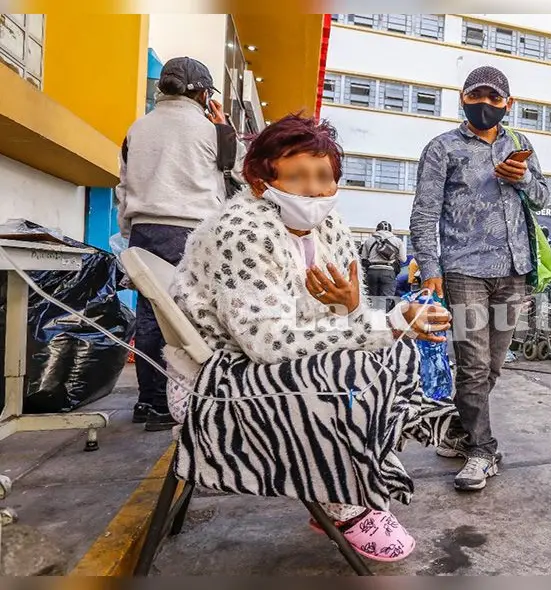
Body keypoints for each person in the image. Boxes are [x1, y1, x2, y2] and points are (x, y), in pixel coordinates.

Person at [168, 114, 456, 562]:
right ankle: (344, 495)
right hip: (216, 380)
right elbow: (267, 344)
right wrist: (386, 321)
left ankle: (349, 474)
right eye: (297, 175)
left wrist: (354, 307)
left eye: (323, 176)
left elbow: (343, 318)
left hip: (271, 365)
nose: (315, 189)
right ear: (262, 179)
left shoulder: (330, 228)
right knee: (358, 366)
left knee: (395, 358)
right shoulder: (241, 231)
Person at [410, 65, 550, 491]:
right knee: (472, 364)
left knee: (491, 365)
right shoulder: (442, 148)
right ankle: (482, 451)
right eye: (477, 96)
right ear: (462, 98)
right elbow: (424, 211)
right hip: (464, 270)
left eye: (494, 98)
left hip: (515, 271)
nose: (485, 104)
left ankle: (457, 430)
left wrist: (523, 179)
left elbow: (544, 200)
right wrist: (430, 268)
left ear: (509, 104)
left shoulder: (521, 145)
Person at [115, 56, 245, 431]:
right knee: (194, 318)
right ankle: (186, 398)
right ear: (205, 94)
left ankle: (150, 402)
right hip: (194, 231)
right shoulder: (211, 131)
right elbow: (238, 170)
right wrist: (225, 128)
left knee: (151, 317)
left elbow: (123, 187)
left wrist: (129, 233)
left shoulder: (137, 129)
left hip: (145, 230)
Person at [360, 221, 406, 309]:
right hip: (388, 271)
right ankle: (382, 319)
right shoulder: (397, 241)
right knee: (385, 299)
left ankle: (372, 319)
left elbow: (364, 258)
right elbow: (403, 259)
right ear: (390, 230)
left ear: (377, 229)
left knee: (372, 298)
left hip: (372, 271)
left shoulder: (368, 241)